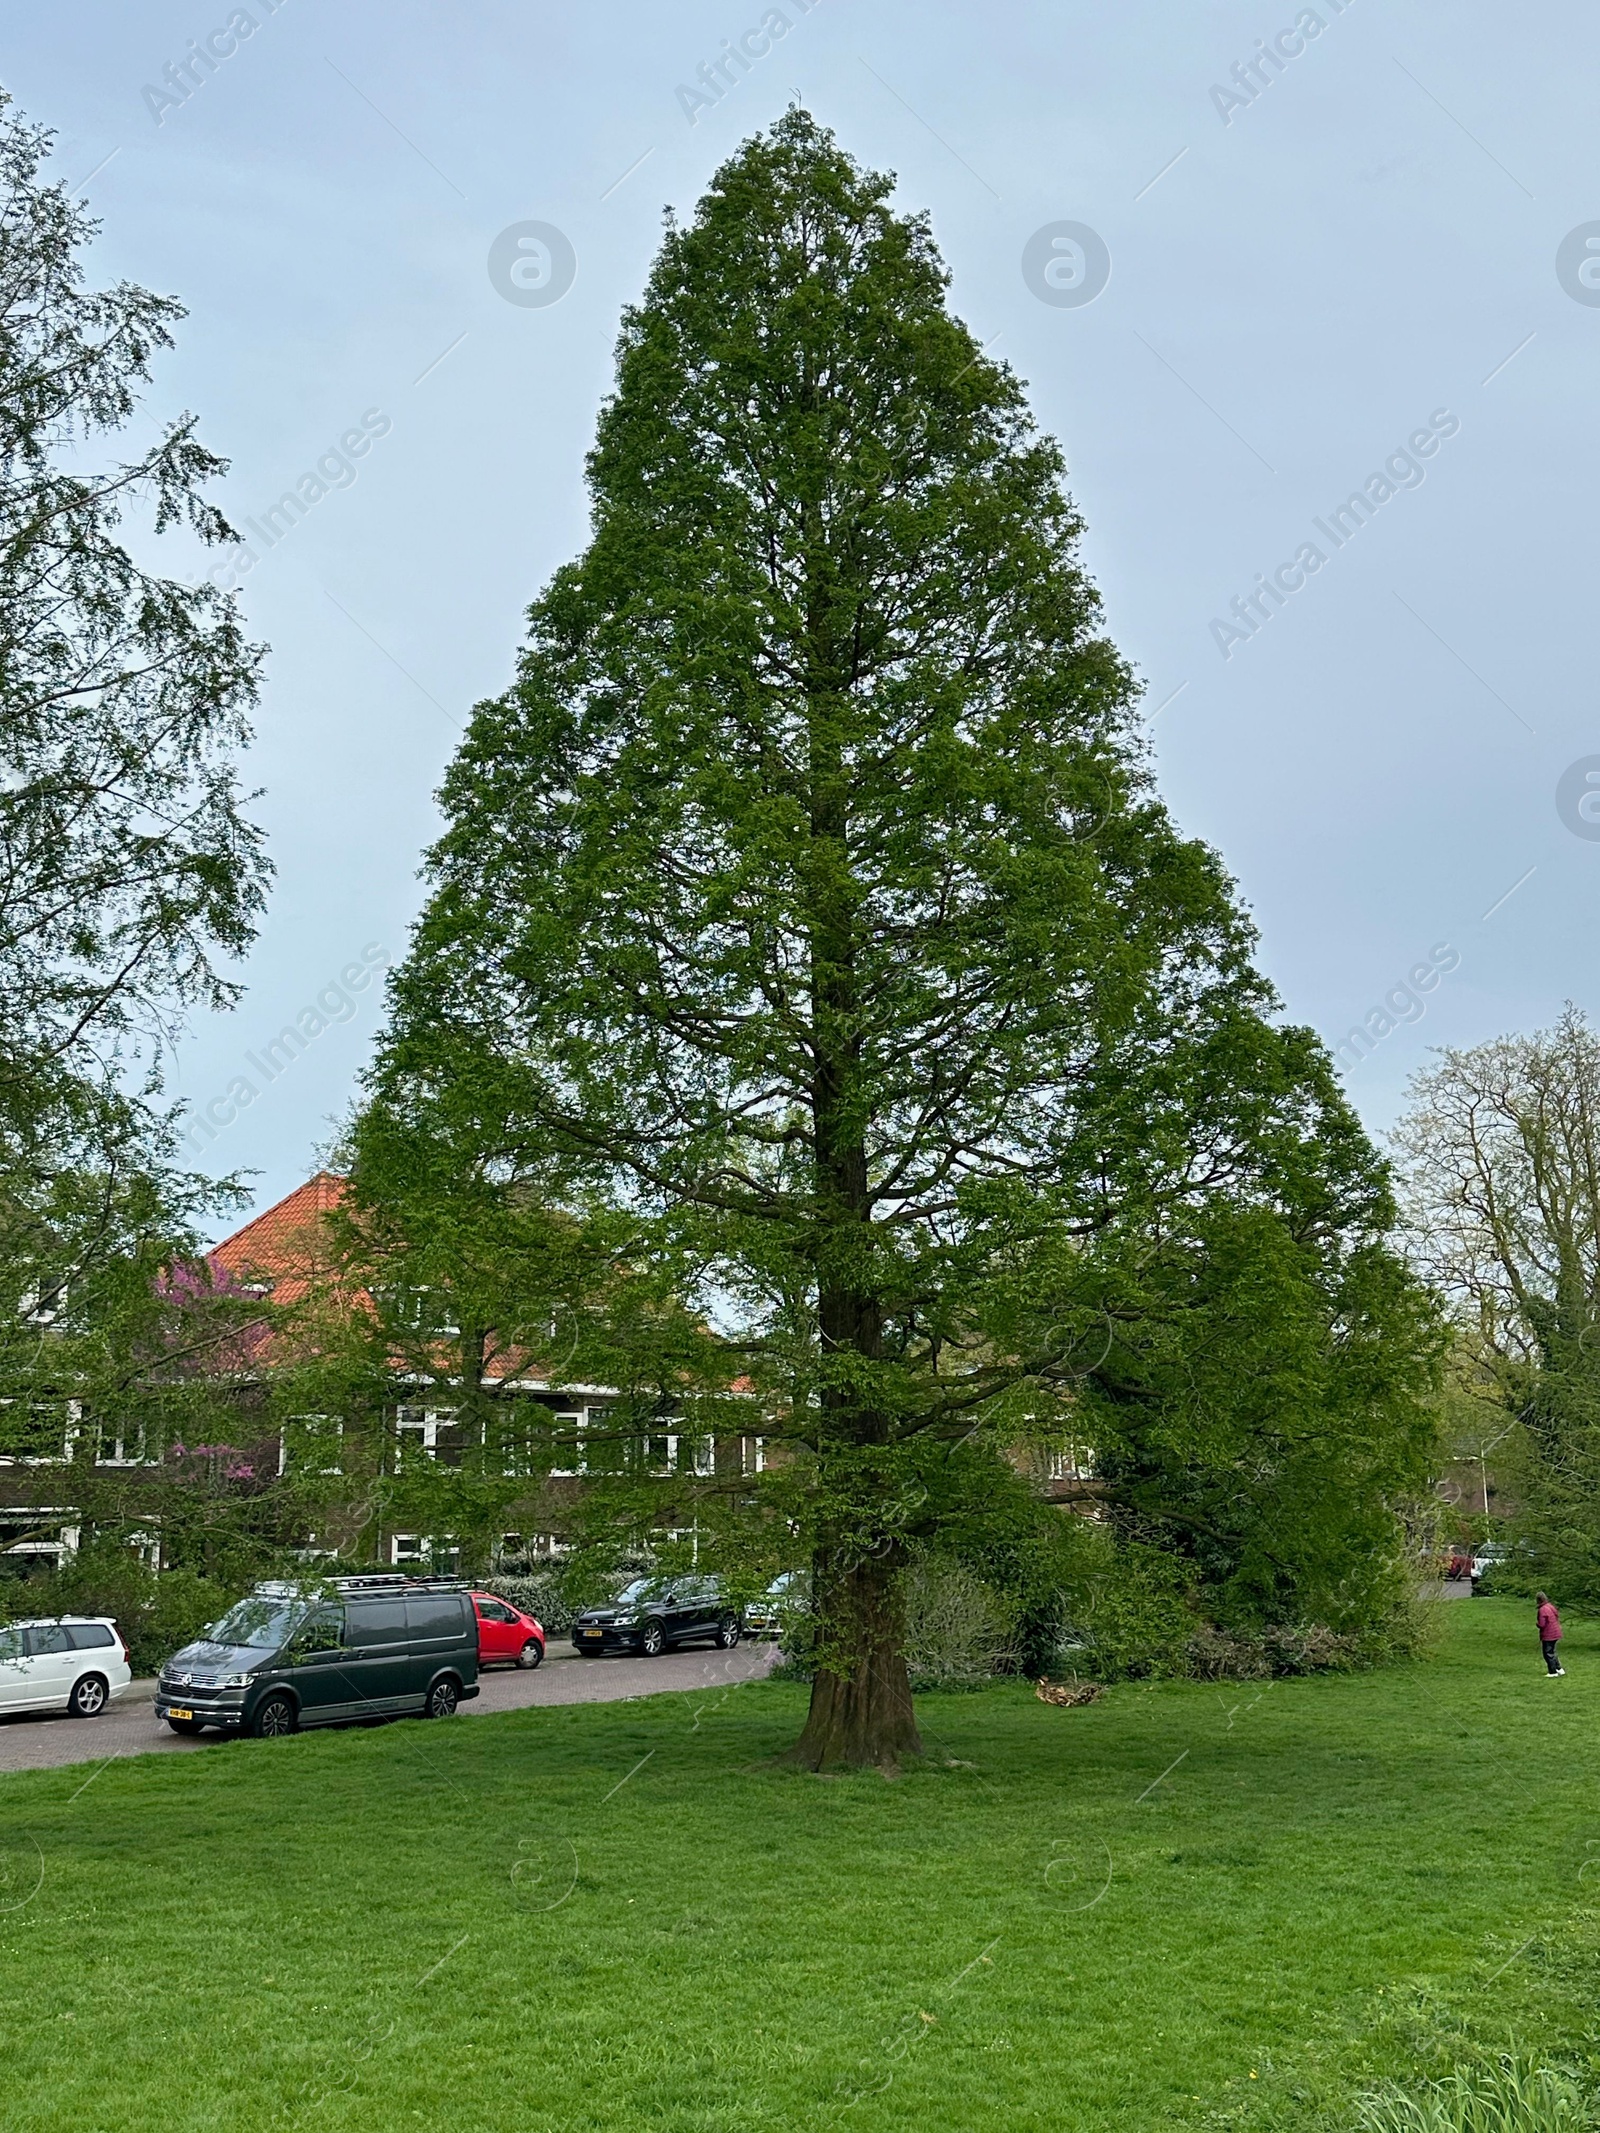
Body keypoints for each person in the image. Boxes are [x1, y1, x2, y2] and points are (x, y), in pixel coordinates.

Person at [1536, 1591, 1565, 1676]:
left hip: (1549, 1634)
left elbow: (1542, 1624)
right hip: (1556, 1632)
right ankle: (1559, 1668)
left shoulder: (1542, 1610)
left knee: (1547, 1653)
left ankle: (1552, 1672)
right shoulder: (1550, 1606)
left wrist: (1537, 1624)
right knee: (1552, 1652)